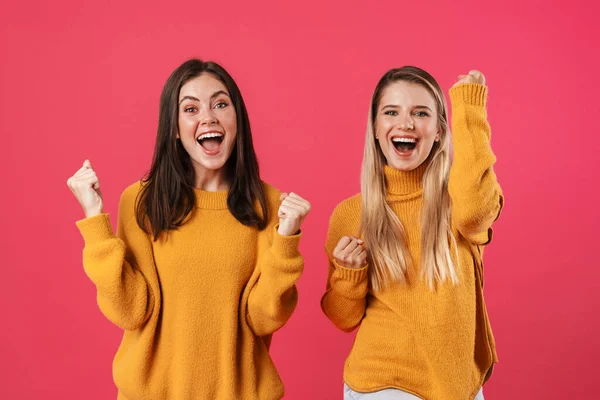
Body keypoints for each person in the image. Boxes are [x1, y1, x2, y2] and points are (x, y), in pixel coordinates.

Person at [67, 59, 311, 400]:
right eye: (191, 108)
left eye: (220, 104)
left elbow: (263, 318)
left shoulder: (268, 204)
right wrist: (95, 220)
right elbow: (131, 310)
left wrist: (286, 241)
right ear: (174, 128)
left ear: (237, 119)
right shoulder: (141, 201)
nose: (208, 117)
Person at [321, 67, 503, 400]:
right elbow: (342, 317)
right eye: (391, 112)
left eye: (420, 113)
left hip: (459, 384)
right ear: (376, 129)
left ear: (438, 132)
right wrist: (349, 275)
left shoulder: (458, 200)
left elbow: (477, 212)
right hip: (384, 383)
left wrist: (469, 108)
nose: (406, 123)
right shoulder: (351, 214)